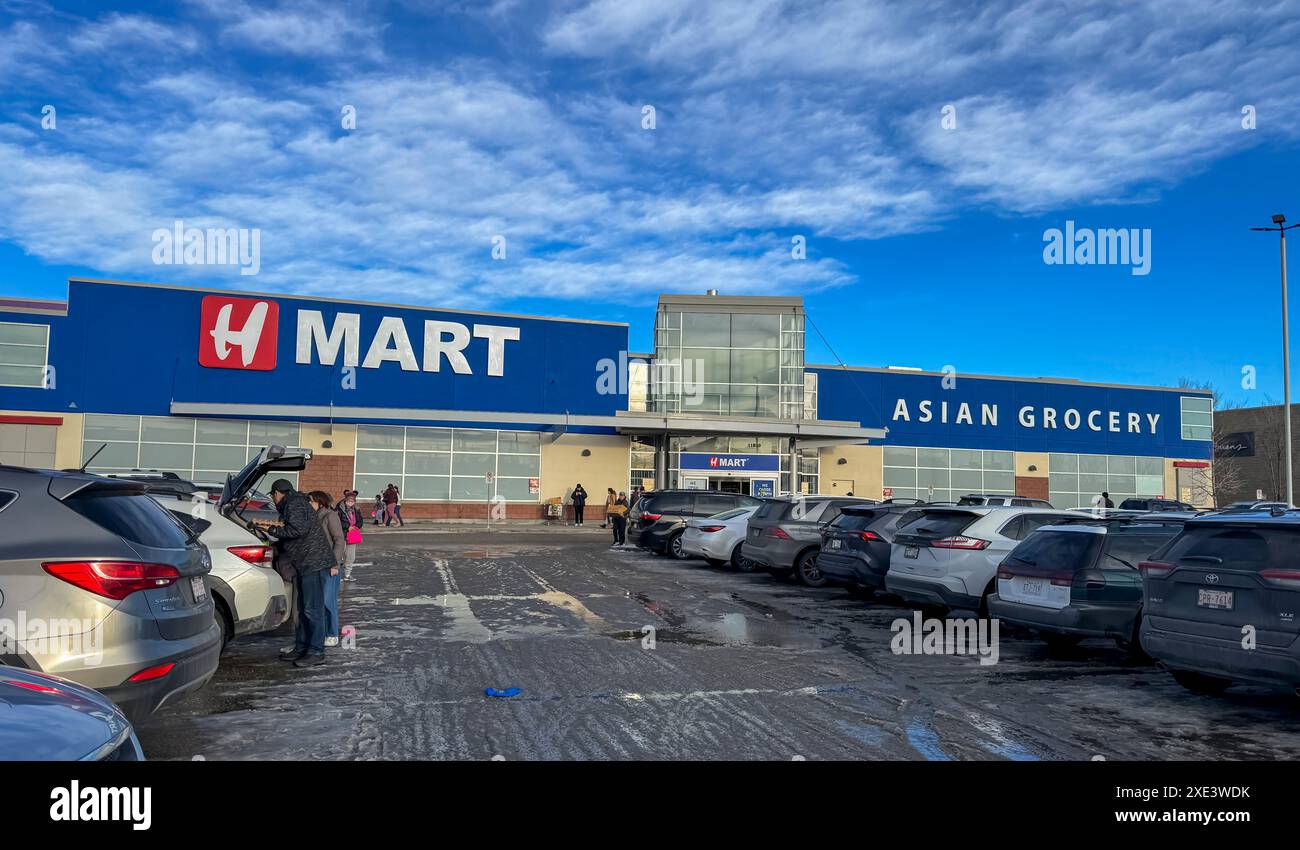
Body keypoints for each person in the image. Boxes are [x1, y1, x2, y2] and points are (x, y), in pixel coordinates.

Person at [268, 479, 337, 667]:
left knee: (312, 609)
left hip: (313, 563)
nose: (274, 499)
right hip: (304, 563)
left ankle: (316, 651)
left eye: (273, 495)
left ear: (277, 493)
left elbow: (297, 529)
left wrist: (272, 530)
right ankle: (302, 647)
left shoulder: (294, 503)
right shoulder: (295, 502)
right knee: (303, 609)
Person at [309, 491, 347, 647]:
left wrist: (335, 563)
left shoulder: (330, 516)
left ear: (320, 502)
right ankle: (322, 632)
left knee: (328, 601)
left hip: (329, 565)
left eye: (310, 500)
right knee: (318, 602)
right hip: (316, 565)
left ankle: (332, 633)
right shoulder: (313, 516)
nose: (308, 503)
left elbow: (339, 541)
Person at [336, 489, 364, 582]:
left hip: (352, 535)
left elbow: (360, 520)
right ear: (345, 500)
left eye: (352, 501)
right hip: (342, 535)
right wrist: (347, 527)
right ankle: (336, 575)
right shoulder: (339, 508)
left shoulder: (356, 509)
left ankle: (348, 574)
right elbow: (336, 522)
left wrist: (356, 527)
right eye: (349, 501)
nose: (351, 503)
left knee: (350, 556)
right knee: (339, 555)